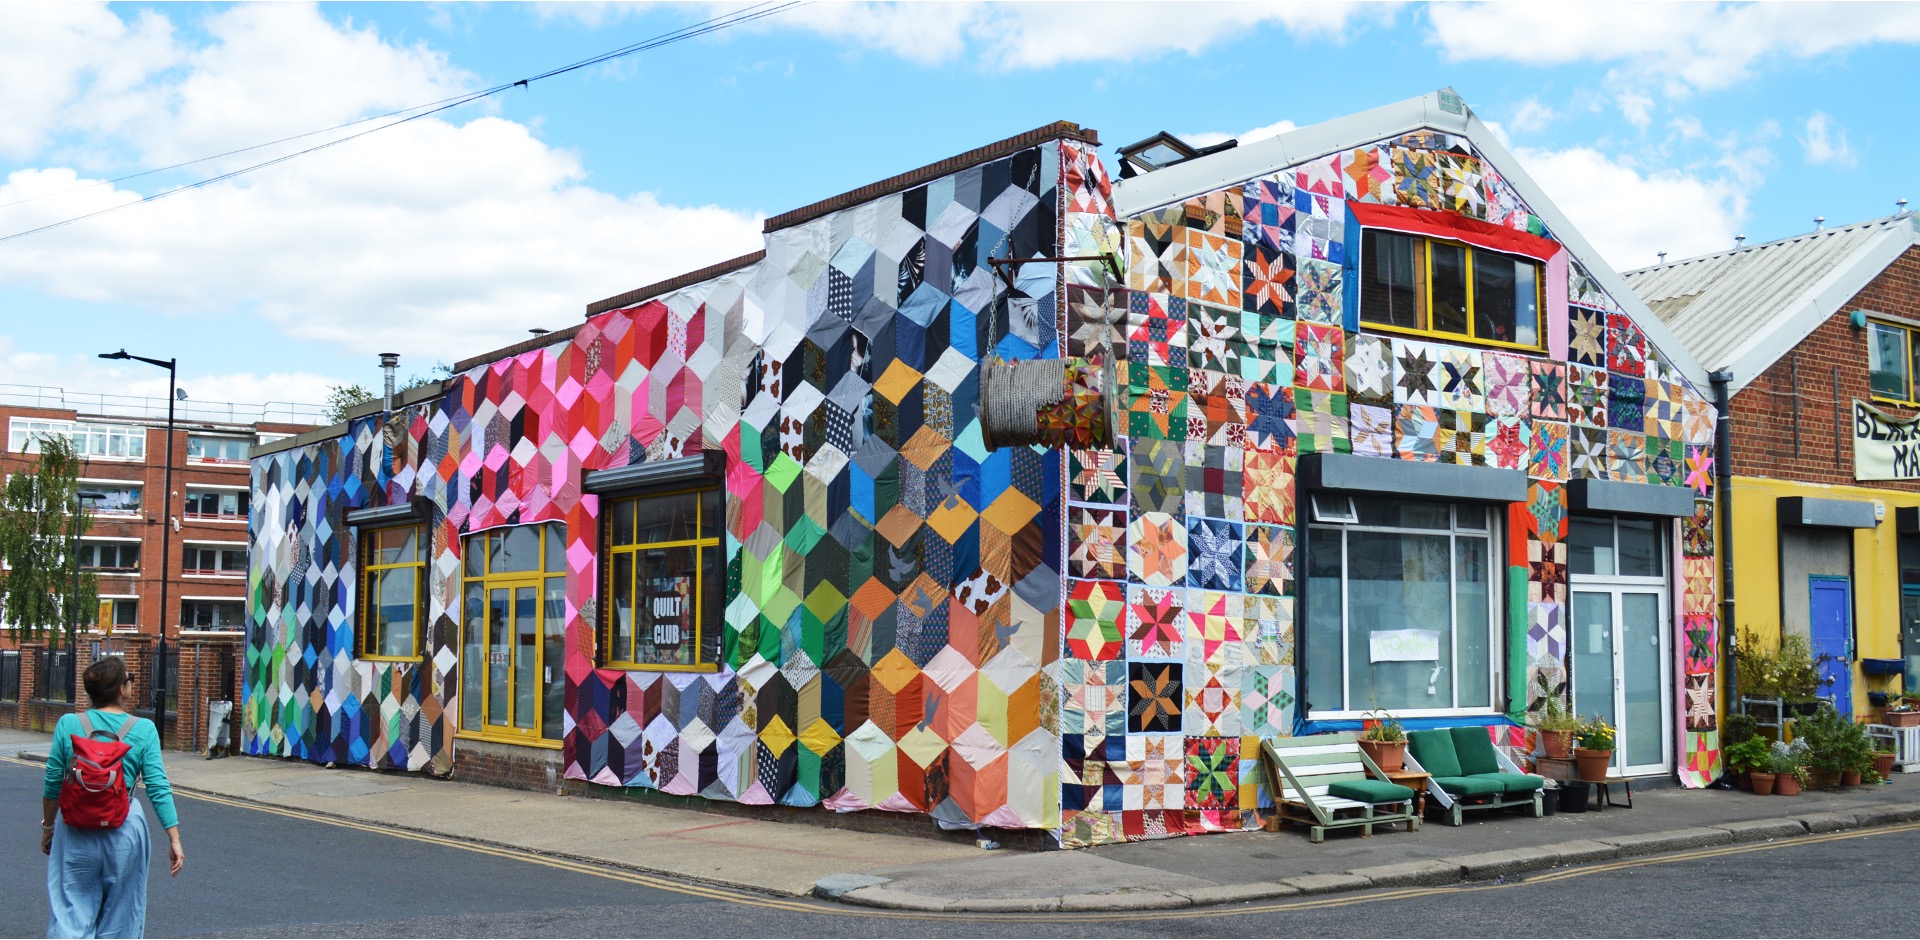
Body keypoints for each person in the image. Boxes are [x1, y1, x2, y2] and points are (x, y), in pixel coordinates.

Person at [40, 657, 185, 939]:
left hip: (75, 830)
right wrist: (174, 838)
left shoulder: (68, 723)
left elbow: (53, 782)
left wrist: (48, 827)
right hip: (125, 830)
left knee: (71, 911)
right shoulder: (143, 730)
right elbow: (157, 786)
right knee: (122, 917)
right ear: (121, 689)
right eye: (129, 678)